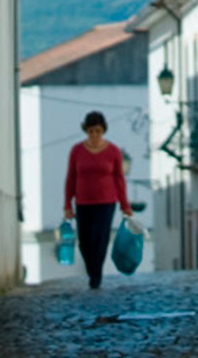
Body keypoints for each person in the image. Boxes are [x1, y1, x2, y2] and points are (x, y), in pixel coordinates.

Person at [63, 111, 133, 289]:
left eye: (98, 131)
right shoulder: (77, 151)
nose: (94, 135)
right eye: (91, 131)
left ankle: (96, 275)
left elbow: (119, 179)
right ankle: (92, 270)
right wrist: (67, 205)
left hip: (106, 202)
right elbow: (71, 178)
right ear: (86, 131)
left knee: (100, 238)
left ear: (103, 131)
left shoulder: (113, 151)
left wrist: (125, 205)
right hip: (83, 202)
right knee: (85, 241)